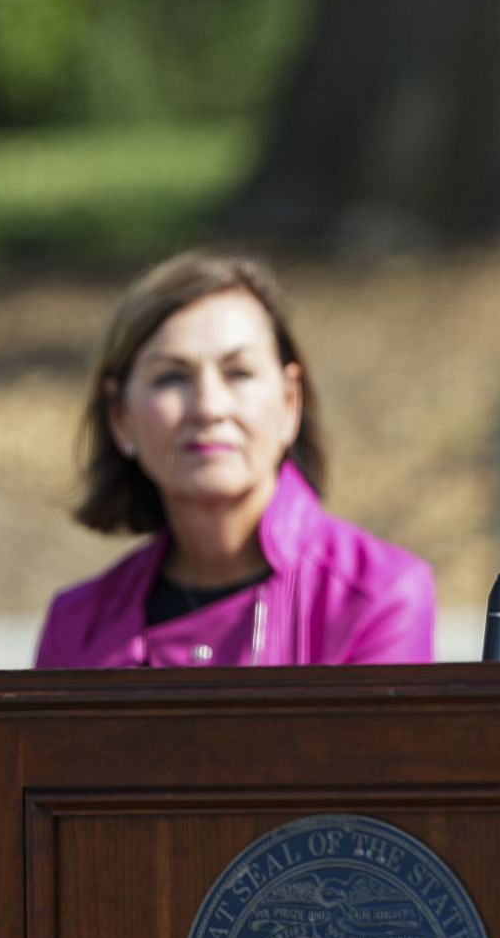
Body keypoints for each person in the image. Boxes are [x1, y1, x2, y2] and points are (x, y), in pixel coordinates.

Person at [35, 248, 434, 668]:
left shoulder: (377, 596)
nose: (209, 407)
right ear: (120, 417)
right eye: (171, 377)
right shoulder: (75, 624)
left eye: (238, 372)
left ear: (289, 401)